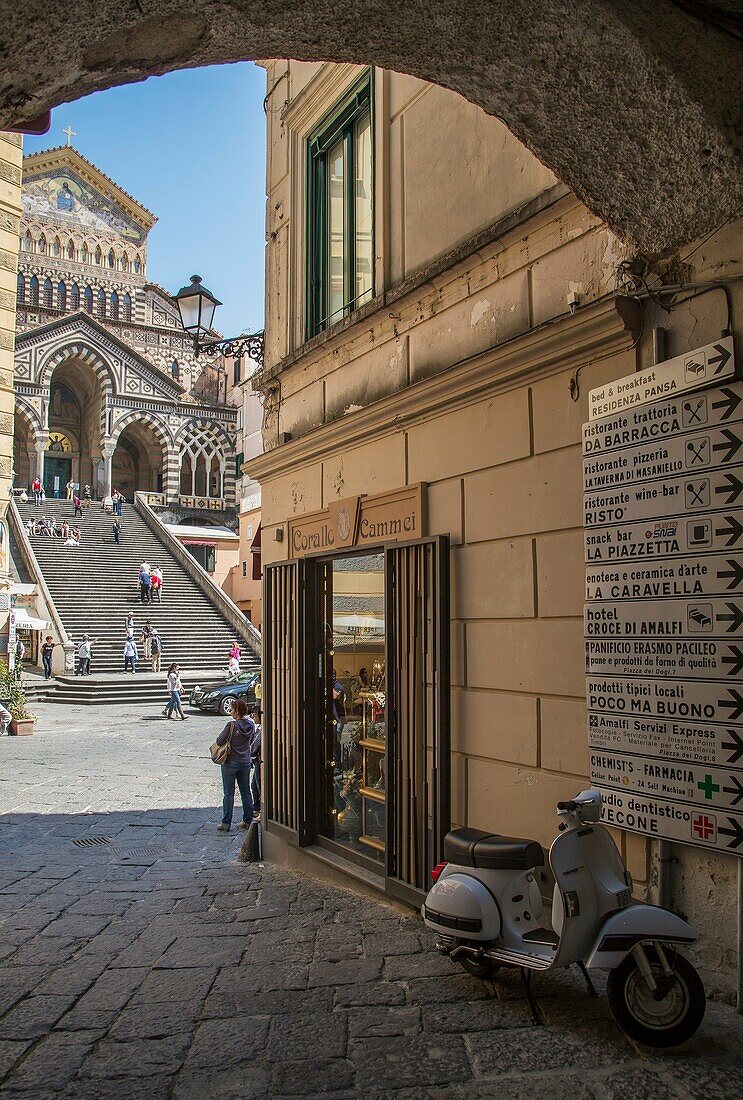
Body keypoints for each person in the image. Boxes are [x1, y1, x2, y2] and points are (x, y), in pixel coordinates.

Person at [215, 698, 255, 833]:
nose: (231, 712)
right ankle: (248, 821)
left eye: (232, 710)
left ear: (237, 712)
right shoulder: (251, 724)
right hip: (245, 761)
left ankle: (226, 823)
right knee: (246, 792)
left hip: (231, 762)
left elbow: (220, 741)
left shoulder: (231, 725)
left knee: (228, 794)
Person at [331, 668, 345, 768]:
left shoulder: (338, 686)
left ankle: (337, 765)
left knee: (335, 741)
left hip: (339, 719)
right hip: (331, 718)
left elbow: (335, 696)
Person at [250, 706, 262, 818]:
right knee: (254, 785)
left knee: (258, 786)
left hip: (259, 761)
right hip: (257, 761)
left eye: (254, 714)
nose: (253, 716)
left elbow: (254, 747)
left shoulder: (261, 731)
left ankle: (260, 809)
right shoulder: (259, 729)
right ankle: (257, 808)